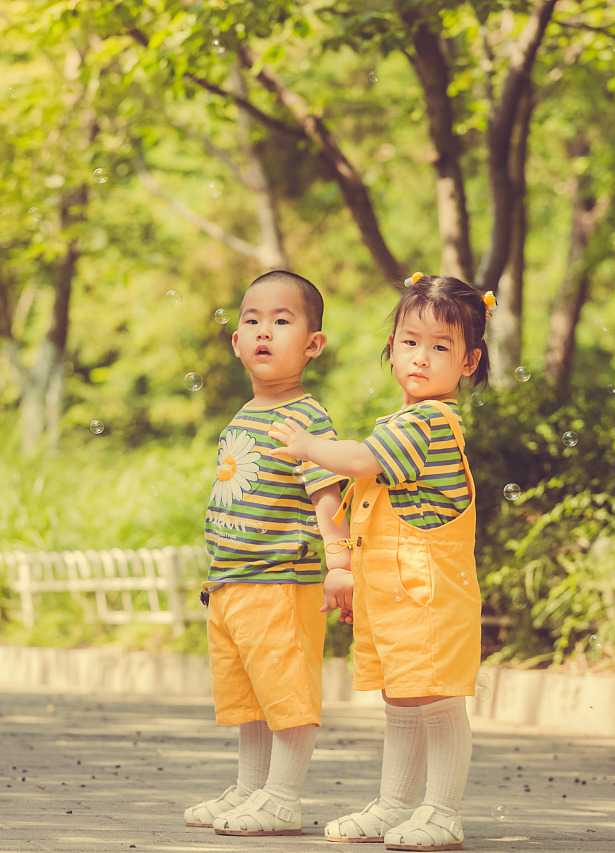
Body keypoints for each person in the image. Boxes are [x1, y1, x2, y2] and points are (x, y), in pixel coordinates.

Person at [269, 272, 494, 851]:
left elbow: (362, 460)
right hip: (397, 594)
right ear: (391, 348)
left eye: (441, 347)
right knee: (402, 697)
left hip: (429, 596)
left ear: (469, 363)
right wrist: (345, 569)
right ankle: (395, 805)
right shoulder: (402, 421)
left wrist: (310, 447)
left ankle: (441, 811)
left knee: (437, 698)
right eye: (410, 342)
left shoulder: (430, 424)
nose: (421, 357)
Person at [184, 269, 353, 837]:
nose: (264, 331)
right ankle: (251, 788)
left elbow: (327, 493)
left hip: (282, 578)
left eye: (282, 321)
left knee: (286, 692)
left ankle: (282, 797)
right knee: (250, 695)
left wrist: (339, 564)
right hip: (233, 582)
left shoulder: (304, 417)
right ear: (235, 343)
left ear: (312, 344)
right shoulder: (245, 414)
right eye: (252, 320)